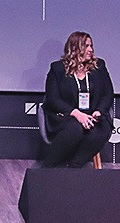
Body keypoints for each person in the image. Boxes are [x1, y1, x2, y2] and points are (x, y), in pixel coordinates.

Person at [42, 31, 113, 168]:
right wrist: (76, 114)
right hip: (66, 116)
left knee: (99, 131)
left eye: (91, 46)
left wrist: (99, 111)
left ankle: (74, 167)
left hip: (92, 115)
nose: (90, 50)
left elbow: (108, 93)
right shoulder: (57, 69)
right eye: (86, 46)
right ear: (75, 48)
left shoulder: (99, 66)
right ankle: (48, 167)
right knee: (75, 129)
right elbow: (52, 98)